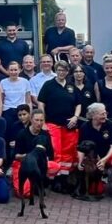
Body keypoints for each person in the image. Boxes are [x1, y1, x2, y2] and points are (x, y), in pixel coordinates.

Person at [37, 60, 80, 189]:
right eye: (59, 70)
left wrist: (76, 117)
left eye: (64, 70)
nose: (61, 72)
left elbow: (78, 103)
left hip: (69, 125)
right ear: (56, 71)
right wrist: (43, 122)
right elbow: (41, 104)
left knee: (68, 152)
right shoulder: (48, 85)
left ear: (67, 72)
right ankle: (53, 178)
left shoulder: (71, 86)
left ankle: (64, 178)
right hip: (53, 123)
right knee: (55, 151)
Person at [76, 103, 112, 200]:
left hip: (107, 155)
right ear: (93, 115)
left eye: (105, 113)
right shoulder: (85, 127)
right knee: (95, 191)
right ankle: (89, 185)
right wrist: (80, 162)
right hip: (92, 157)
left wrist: (105, 160)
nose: (105, 116)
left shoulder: (110, 125)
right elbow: (81, 148)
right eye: (102, 114)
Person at [12, 110, 61, 197]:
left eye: (41, 120)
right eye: (36, 120)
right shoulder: (22, 134)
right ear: (31, 120)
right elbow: (16, 156)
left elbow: (50, 155)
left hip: (39, 164)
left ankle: (38, 183)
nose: (39, 123)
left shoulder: (45, 134)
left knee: (55, 166)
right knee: (23, 193)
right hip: (23, 164)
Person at [0, 61, 32, 132]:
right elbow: (1, 100)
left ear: (20, 70)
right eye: (11, 70)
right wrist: (0, 114)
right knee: (9, 132)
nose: (13, 72)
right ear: (7, 70)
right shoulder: (3, 82)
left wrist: (30, 114)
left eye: (15, 70)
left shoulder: (25, 82)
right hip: (8, 110)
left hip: (22, 111)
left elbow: (28, 101)